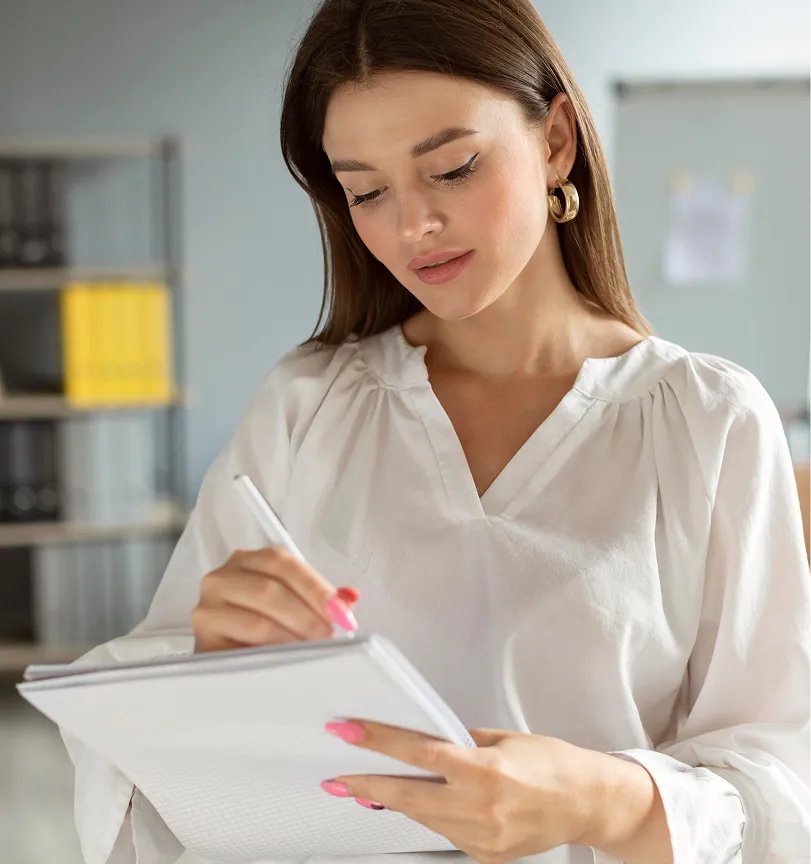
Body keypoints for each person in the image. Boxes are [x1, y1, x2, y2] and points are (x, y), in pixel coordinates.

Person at [60, 1, 811, 863]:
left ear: (555, 139)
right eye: (366, 192)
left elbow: (776, 783)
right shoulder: (307, 406)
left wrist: (602, 801)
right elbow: (146, 737)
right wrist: (210, 656)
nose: (411, 225)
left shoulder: (709, 422)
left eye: (451, 168)